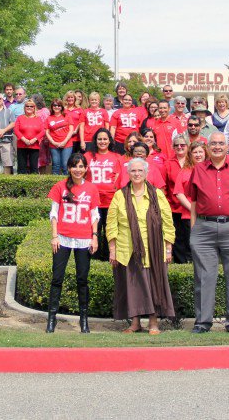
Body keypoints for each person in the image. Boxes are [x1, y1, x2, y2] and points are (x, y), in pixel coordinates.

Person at [185, 133, 229, 335]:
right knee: (203, 277)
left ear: (228, 147)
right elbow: (193, 202)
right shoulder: (199, 169)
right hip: (204, 229)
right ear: (208, 147)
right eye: (213, 143)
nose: (217, 147)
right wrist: (194, 230)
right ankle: (202, 322)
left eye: (221, 143)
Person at [107, 157, 175, 335]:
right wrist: (112, 250)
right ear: (128, 173)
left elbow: (168, 222)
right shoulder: (119, 196)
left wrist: (168, 248)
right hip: (127, 249)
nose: (136, 174)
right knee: (132, 287)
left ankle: (153, 323)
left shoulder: (156, 194)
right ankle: (135, 323)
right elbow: (111, 225)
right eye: (133, 171)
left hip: (153, 249)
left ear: (146, 173)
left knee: (153, 285)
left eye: (140, 171)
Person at [46, 153, 100, 333]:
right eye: (74, 166)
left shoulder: (92, 188)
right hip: (63, 237)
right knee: (57, 278)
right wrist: (54, 236)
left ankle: (84, 320)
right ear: (69, 168)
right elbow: (54, 213)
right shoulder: (60, 186)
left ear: (86, 169)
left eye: (81, 166)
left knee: (82, 279)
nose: (78, 170)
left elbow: (94, 215)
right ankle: (51, 318)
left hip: (84, 238)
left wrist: (94, 236)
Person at [85, 128, 123, 261]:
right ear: (95, 141)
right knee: (94, 230)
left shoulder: (117, 157)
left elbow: (119, 178)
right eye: (99, 139)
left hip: (111, 200)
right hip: (92, 201)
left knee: (110, 230)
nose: (102, 141)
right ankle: (93, 258)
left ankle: (108, 258)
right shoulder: (88, 156)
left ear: (109, 140)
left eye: (105, 139)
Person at [162, 135, 193, 263]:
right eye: (176, 145)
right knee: (178, 238)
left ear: (188, 146)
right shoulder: (168, 164)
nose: (179, 147)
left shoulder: (192, 162)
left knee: (191, 237)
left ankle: (192, 261)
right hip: (174, 207)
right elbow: (164, 185)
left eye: (182, 145)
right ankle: (181, 262)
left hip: (191, 207)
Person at [14, 99, 45, 174]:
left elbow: (43, 131)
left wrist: (34, 139)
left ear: (34, 108)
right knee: (21, 168)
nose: (29, 107)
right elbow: (16, 130)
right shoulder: (20, 118)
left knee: (34, 168)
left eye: (31, 106)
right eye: (27, 106)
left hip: (34, 145)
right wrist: (24, 139)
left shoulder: (38, 118)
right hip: (22, 145)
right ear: (24, 108)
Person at [45, 98, 75, 175]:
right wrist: (53, 142)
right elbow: (47, 132)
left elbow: (71, 130)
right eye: (55, 105)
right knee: (55, 165)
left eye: (59, 105)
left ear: (61, 107)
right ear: (52, 107)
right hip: (54, 145)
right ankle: (55, 184)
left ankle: (67, 183)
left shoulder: (67, 116)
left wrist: (64, 142)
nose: (57, 107)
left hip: (67, 144)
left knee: (65, 164)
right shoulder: (49, 118)